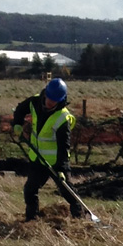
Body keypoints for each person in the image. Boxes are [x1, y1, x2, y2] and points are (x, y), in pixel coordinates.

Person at [11, 78, 81, 221]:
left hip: (56, 162)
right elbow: (19, 109)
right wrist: (17, 124)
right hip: (37, 159)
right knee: (30, 190)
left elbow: (64, 146)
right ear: (45, 94)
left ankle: (79, 217)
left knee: (67, 191)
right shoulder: (34, 102)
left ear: (61, 99)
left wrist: (61, 169)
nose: (50, 102)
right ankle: (32, 219)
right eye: (49, 98)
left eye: (54, 100)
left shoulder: (63, 118)